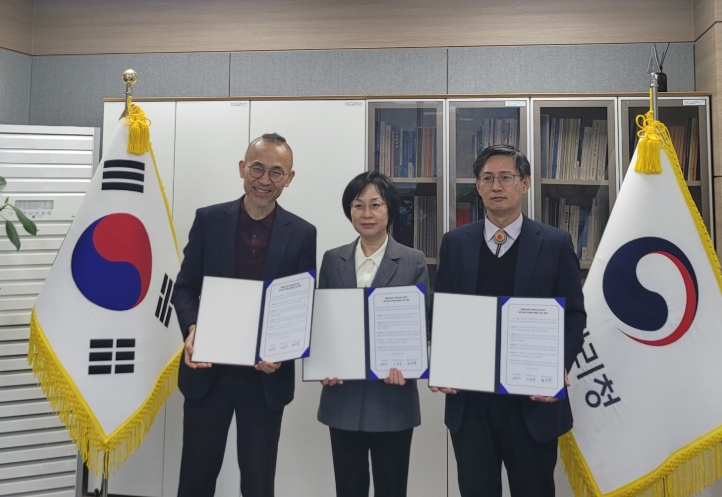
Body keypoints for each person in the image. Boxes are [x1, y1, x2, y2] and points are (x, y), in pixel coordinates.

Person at [431, 144, 585, 497]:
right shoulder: (455, 243)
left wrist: (558, 365)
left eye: (506, 177)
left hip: (531, 401)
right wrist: (443, 363)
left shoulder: (555, 243)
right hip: (471, 403)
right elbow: (443, 311)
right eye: (487, 179)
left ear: (525, 183)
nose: (496, 186)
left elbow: (574, 314)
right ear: (478, 186)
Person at [171, 133, 317, 497]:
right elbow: (184, 288)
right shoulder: (208, 220)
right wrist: (192, 328)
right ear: (242, 168)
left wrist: (283, 350)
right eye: (257, 168)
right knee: (195, 480)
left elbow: (300, 306)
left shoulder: (302, 233)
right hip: (208, 373)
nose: (265, 180)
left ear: (289, 178)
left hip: (264, 380)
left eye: (276, 172)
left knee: (258, 483)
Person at [317, 171, 429, 497]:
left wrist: (408, 364)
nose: (366, 213)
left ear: (389, 209)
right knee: (348, 489)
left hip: (393, 399)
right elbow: (325, 323)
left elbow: (419, 325)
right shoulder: (332, 259)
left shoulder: (412, 261)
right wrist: (325, 364)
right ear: (349, 210)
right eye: (358, 205)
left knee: (391, 489)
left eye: (375, 205)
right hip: (343, 398)